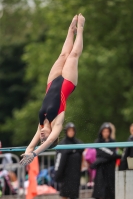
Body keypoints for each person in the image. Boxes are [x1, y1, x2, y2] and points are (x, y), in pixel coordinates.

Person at [20, 14, 85, 166]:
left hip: (51, 83)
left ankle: (71, 29)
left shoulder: (41, 125)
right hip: (67, 83)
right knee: (73, 55)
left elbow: (31, 145)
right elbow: (48, 141)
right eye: (44, 137)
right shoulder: (57, 123)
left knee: (63, 55)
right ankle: (80, 29)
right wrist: (36, 153)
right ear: (53, 136)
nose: (42, 135)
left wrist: (29, 151)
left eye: (41, 137)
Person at [91, 122, 121, 199]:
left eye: (107, 131)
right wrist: (110, 156)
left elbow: (115, 155)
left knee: (110, 190)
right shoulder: (97, 142)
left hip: (110, 169)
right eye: (104, 131)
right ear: (101, 132)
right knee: (100, 191)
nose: (106, 133)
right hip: (101, 169)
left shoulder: (113, 142)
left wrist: (102, 159)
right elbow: (101, 153)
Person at [54, 122, 83, 199]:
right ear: (66, 131)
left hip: (75, 174)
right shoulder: (62, 144)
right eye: (69, 130)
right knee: (65, 194)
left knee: (74, 195)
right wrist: (57, 174)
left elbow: (82, 150)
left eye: (72, 130)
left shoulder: (78, 143)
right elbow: (59, 159)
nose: (71, 132)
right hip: (65, 174)